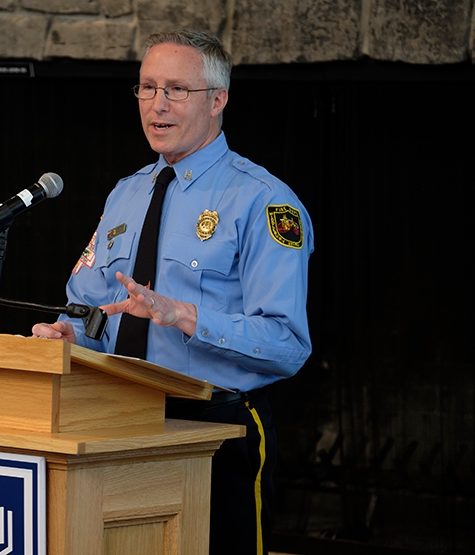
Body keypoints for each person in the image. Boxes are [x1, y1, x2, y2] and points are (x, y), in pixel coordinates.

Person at [32, 29, 313, 554]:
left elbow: (288, 345)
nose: (157, 105)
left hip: (216, 427)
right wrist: (67, 334)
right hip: (120, 419)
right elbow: (92, 309)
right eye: (146, 88)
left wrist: (187, 315)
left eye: (176, 90)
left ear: (217, 100)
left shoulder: (265, 202)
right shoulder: (126, 192)